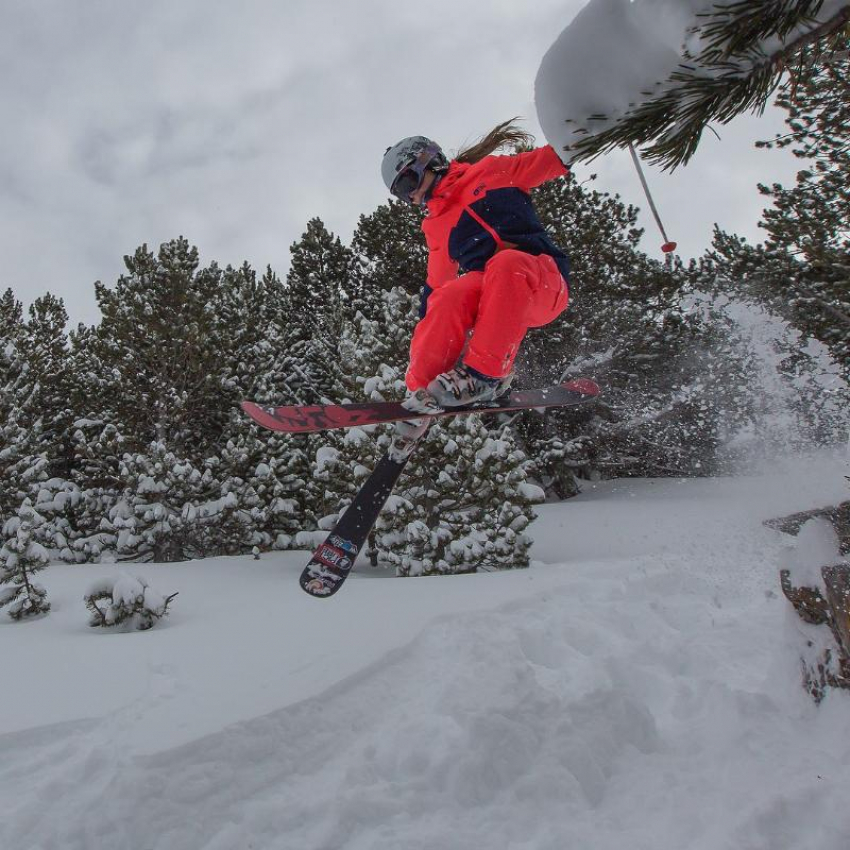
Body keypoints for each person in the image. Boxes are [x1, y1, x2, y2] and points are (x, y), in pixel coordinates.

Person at [381, 120, 571, 442]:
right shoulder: (437, 224)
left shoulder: (494, 172)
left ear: (431, 161)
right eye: (401, 193)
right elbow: (436, 287)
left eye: (409, 182)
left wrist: (585, 136)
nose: (411, 196)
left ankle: (486, 374)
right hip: (497, 299)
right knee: (452, 294)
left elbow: (552, 160)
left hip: (542, 282)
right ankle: (420, 396)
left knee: (506, 263)